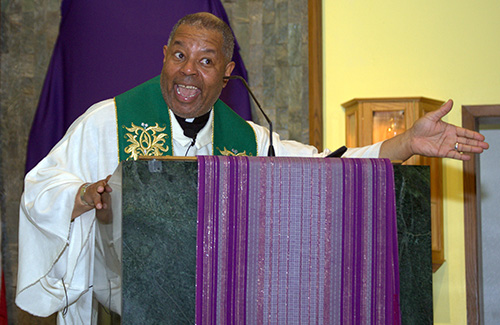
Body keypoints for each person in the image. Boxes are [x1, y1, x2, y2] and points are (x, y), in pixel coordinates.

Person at [16, 12, 488, 323]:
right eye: (179, 54)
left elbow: (325, 169)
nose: (187, 70)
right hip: (125, 310)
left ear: (226, 73)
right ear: (163, 55)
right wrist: (81, 196)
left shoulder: (247, 140)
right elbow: (41, 186)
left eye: (205, 61)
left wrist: (405, 141)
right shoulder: (108, 121)